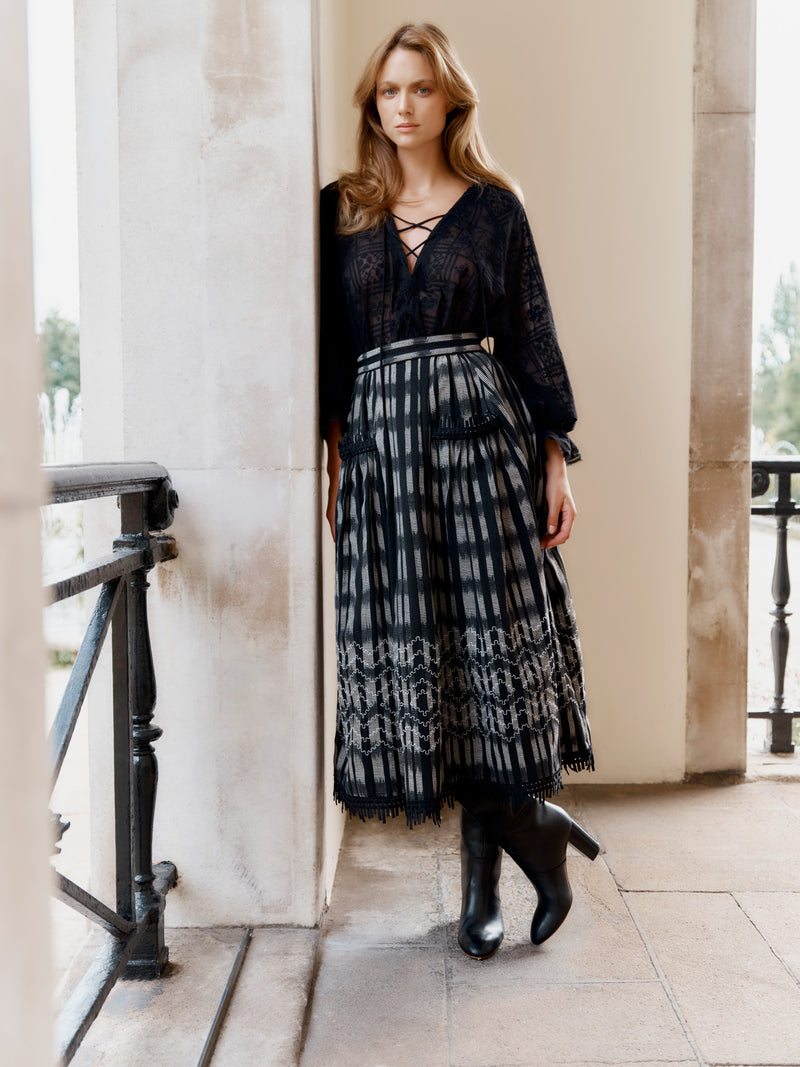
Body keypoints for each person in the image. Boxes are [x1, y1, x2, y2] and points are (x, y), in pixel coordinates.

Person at [319, 22, 598, 960]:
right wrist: (334, 459)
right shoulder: (340, 212)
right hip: (385, 458)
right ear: (373, 103)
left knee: (485, 655)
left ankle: (487, 869)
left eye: (421, 90)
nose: (404, 106)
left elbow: (532, 341)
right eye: (389, 91)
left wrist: (554, 459)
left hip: (481, 447)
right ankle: (531, 836)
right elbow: (326, 353)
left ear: (451, 102)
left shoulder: (494, 210)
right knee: (428, 661)